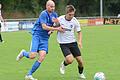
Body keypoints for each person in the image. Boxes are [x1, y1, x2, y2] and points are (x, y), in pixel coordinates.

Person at [16, 0, 64, 80]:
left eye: (54, 7)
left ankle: (29, 74)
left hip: (45, 39)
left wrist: (53, 30)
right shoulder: (43, 14)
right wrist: (56, 29)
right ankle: (24, 53)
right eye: (51, 6)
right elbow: (44, 27)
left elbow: (57, 25)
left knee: (42, 57)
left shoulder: (55, 15)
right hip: (37, 36)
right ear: (47, 6)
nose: (53, 8)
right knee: (32, 56)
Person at [57, 5, 86, 79]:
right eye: (70, 14)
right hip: (63, 43)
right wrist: (53, 30)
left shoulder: (75, 21)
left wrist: (79, 42)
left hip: (73, 43)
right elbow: (53, 26)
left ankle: (81, 73)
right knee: (70, 60)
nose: (71, 16)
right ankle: (63, 64)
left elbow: (79, 32)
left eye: (73, 14)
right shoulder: (60, 19)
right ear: (66, 13)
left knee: (80, 62)